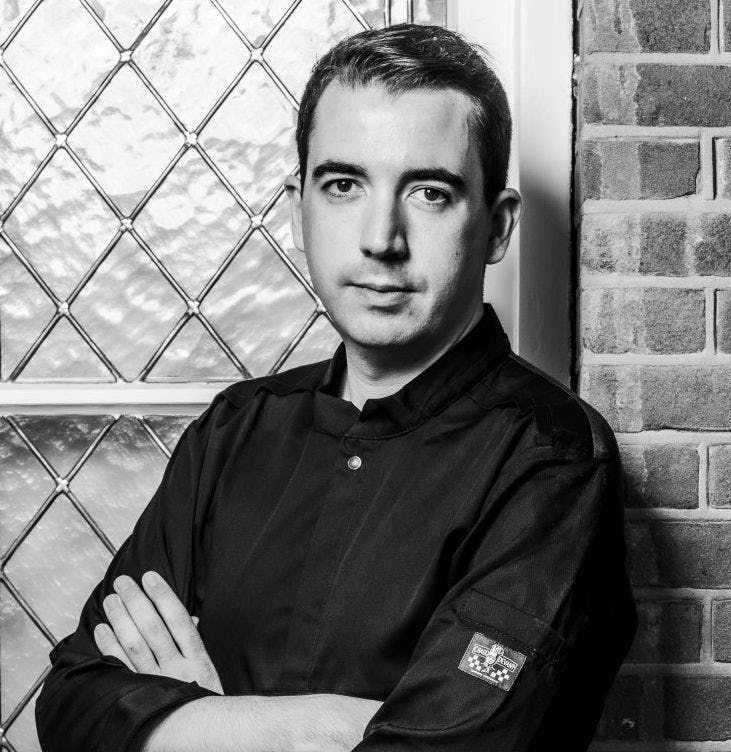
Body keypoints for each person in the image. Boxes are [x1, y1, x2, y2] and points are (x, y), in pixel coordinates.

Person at [35, 23, 636, 752]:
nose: (381, 238)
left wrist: (185, 723)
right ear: (299, 209)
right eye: (344, 186)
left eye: (430, 193)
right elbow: (72, 705)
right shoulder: (234, 431)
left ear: (497, 228)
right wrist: (308, 730)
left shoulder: (551, 461)